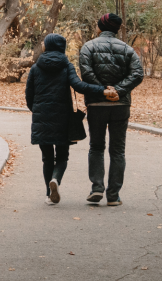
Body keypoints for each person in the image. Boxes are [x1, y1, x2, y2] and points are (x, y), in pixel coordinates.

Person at [25, 34, 112, 205]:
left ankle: (48, 194)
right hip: (63, 117)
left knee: (47, 157)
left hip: (41, 117)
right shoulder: (66, 66)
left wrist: (36, 110)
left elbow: (29, 95)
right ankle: (56, 179)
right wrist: (102, 90)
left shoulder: (36, 68)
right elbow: (79, 86)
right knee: (62, 156)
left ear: (48, 46)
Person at [78, 13, 144, 207]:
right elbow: (138, 74)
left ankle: (97, 188)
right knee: (118, 150)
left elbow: (86, 73)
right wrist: (119, 90)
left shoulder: (88, 47)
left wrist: (104, 91)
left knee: (96, 147)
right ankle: (113, 196)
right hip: (120, 105)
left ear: (100, 27)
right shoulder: (127, 49)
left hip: (96, 104)